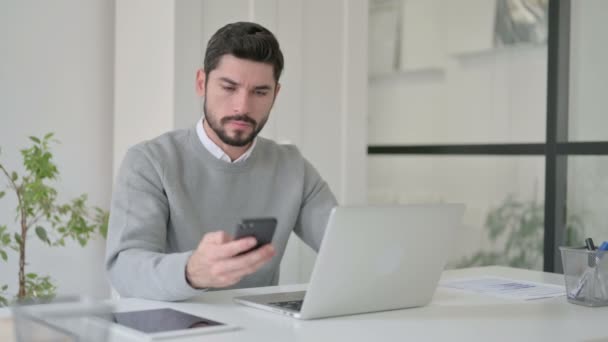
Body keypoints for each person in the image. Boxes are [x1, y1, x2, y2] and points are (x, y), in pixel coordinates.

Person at [105, 21, 337, 301]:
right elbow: (125, 269)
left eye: (259, 92)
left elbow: (345, 247)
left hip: (260, 329)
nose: (242, 106)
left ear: (275, 95)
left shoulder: (293, 167)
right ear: (201, 83)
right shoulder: (150, 161)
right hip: (172, 328)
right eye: (229, 87)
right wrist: (191, 272)